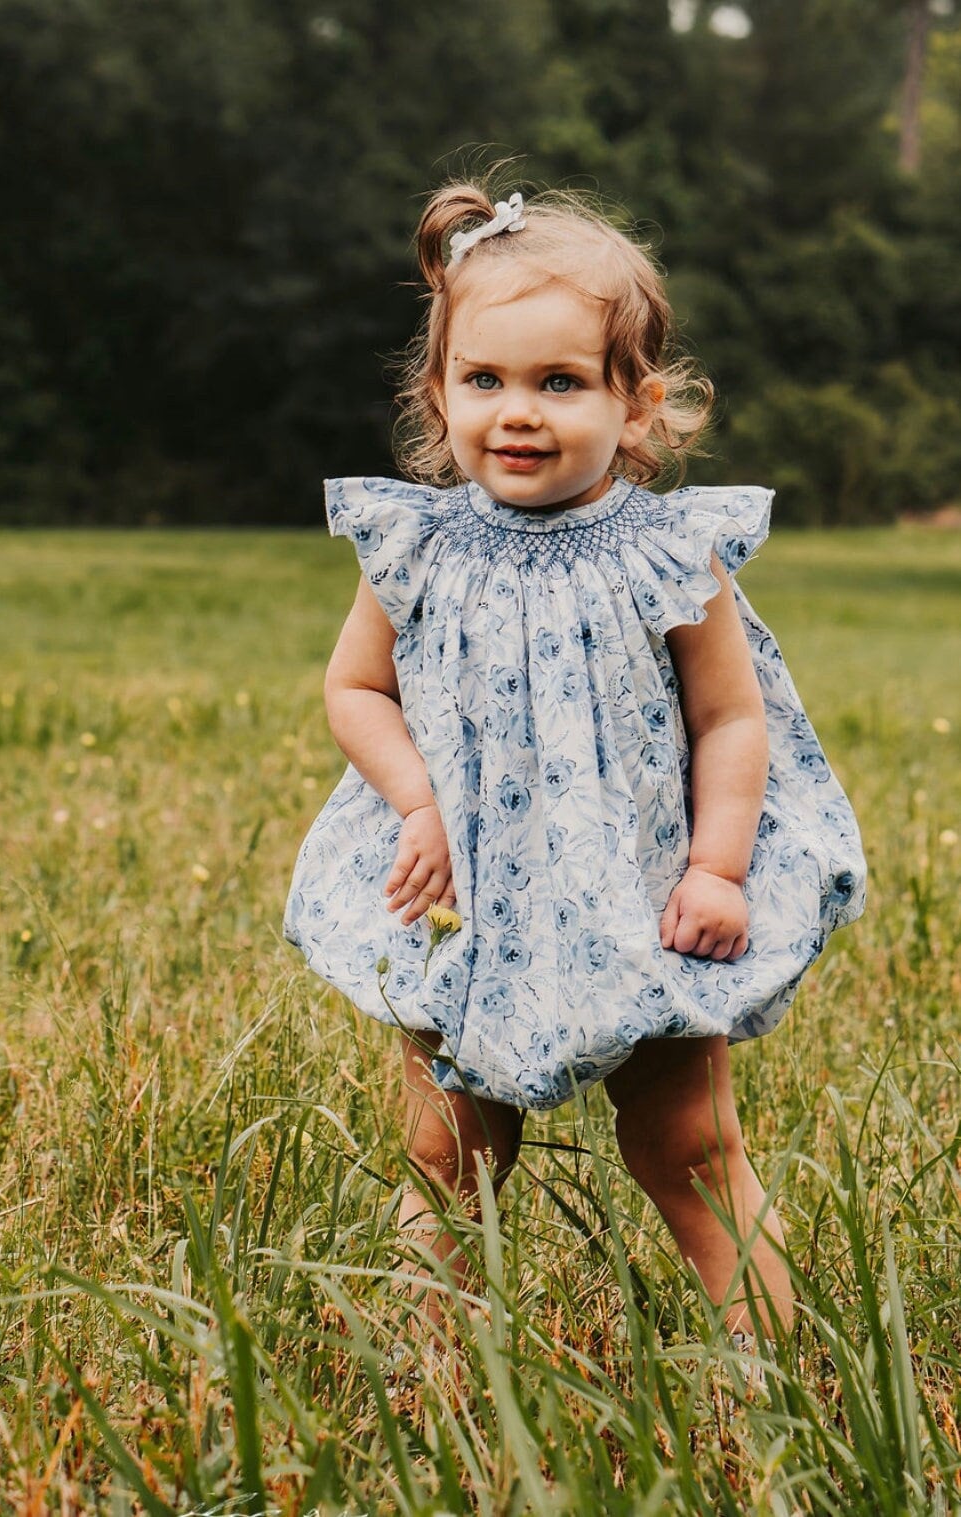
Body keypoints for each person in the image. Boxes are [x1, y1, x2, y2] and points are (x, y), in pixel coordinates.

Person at [284, 180, 865, 1344]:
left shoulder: (668, 552)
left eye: (560, 381)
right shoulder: (418, 544)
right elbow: (355, 689)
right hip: (466, 902)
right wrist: (416, 803)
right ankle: (431, 1374)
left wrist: (717, 865)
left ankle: (769, 1377)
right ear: (437, 392)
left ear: (634, 400)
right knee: (449, 1149)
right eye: (483, 380)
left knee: (687, 1142)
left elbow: (731, 722)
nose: (517, 412)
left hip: (641, 898)